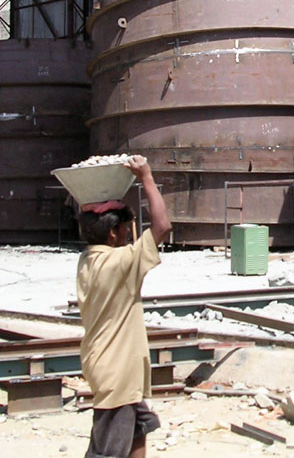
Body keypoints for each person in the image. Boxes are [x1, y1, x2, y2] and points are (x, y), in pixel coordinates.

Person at [77, 155, 172, 458]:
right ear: (112, 232)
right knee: (108, 451)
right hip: (117, 374)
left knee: (139, 430)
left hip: (115, 369)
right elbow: (162, 226)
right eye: (126, 228)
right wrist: (146, 177)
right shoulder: (119, 263)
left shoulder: (87, 260)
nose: (130, 234)